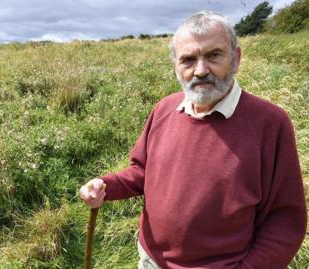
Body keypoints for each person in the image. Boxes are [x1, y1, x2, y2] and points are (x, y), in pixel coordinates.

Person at [79, 10, 307, 269]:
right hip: (151, 260)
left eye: (214, 55)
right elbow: (142, 171)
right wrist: (104, 185)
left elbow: (285, 220)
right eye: (188, 59)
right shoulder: (164, 109)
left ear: (236, 58)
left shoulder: (271, 123)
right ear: (176, 65)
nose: (200, 70)